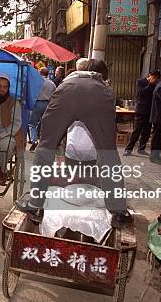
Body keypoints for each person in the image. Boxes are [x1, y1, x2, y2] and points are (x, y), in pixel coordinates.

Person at [16, 59, 127, 222]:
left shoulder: (68, 80)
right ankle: (118, 211)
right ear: (104, 76)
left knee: (45, 147)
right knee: (108, 153)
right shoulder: (102, 86)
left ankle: (35, 204)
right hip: (98, 98)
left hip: (65, 93)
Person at [0, 75, 22, 183]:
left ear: (8, 88)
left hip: (7, 134)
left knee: (5, 145)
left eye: (5, 87)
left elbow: (16, 124)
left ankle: (3, 169)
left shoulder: (14, 103)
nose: (2, 89)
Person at [124, 70, 161, 156]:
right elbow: (141, 93)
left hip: (150, 111)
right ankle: (128, 149)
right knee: (137, 130)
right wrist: (149, 85)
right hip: (141, 110)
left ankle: (141, 148)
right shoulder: (141, 82)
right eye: (154, 77)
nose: (155, 79)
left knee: (147, 131)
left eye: (156, 78)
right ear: (149, 75)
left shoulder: (156, 85)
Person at [28, 67, 56, 152]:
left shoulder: (36, 82)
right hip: (47, 104)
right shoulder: (52, 83)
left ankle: (34, 140)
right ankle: (44, 142)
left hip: (37, 103)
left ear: (39, 73)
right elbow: (54, 94)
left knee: (32, 124)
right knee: (44, 123)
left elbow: (31, 93)